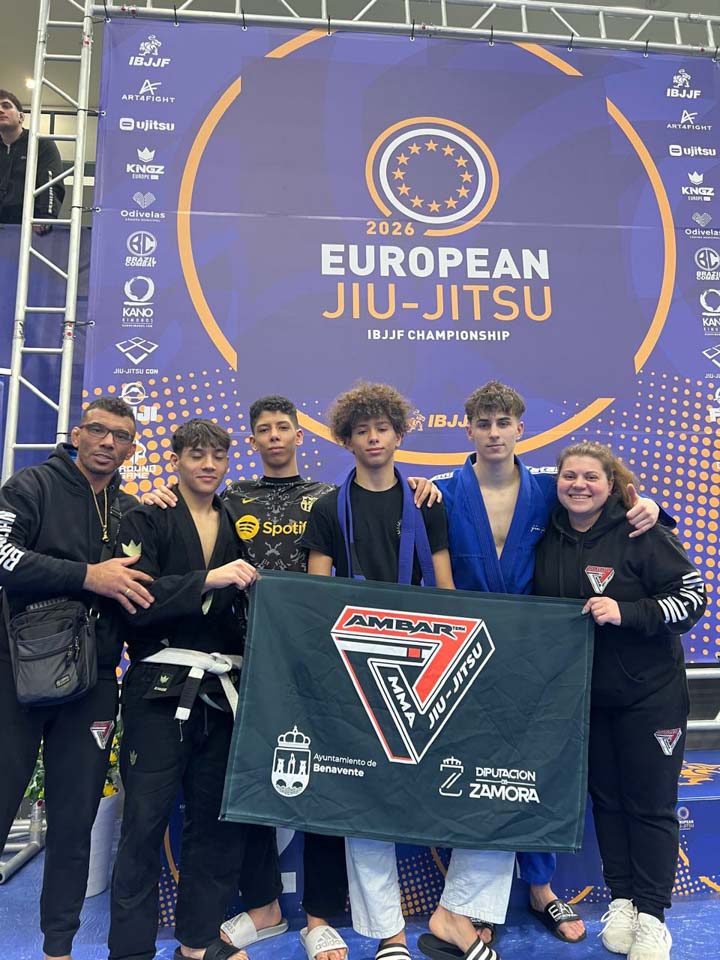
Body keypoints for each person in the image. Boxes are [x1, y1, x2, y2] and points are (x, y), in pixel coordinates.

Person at [144, 394, 441, 960]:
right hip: (242, 656)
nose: (275, 436)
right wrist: (162, 495)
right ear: (252, 439)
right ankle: (264, 906)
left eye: (284, 427)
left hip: (320, 658)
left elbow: (379, 516)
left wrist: (424, 487)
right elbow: (188, 520)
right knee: (251, 783)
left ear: (300, 436)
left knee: (329, 777)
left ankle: (321, 914)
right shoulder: (228, 498)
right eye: (264, 429)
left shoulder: (330, 499)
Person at [432, 381, 663, 947]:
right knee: (477, 767)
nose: (493, 433)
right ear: (468, 429)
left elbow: (610, 507)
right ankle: (473, 903)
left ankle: (540, 887)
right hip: (467, 646)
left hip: (540, 650)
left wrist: (652, 506)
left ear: (520, 428)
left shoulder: (548, 488)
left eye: (503, 423)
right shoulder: (439, 491)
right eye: (483, 423)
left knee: (537, 765)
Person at [300, 381, 501, 960]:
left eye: (382, 429)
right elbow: (316, 595)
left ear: (398, 434)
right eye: (361, 431)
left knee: (479, 780)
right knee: (364, 793)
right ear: (347, 440)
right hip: (356, 663)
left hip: (427, 660)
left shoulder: (426, 501)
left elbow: (445, 586)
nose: (373, 439)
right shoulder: (326, 509)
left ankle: (459, 912)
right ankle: (387, 932)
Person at [533, 441, 705, 960]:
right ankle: (624, 901)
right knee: (606, 803)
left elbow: (692, 599)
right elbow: (493, 480)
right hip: (588, 697)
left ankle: (653, 916)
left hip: (651, 696)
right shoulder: (548, 534)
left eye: (591, 477)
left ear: (611, 484)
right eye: (569, 476)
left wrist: (627, 612)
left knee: (650, 805)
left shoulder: (641, 529)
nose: (579, 485)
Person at [0, 396, 154, 960]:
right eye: (98, 430)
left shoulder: (132, 509)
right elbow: (1, 555)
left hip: (93, 684)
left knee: (75, 822)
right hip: (16, 674)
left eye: (121, 436)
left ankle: (58, 949)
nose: (108, 442)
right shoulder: (32, 485)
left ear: (132, 449)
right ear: (76, 433)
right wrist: (87, 575)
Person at [107, 419, 262, 960]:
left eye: (218, 456)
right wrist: (207, 580)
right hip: (159, 690)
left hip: (222, 692)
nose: (208, 465)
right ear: (175, 459)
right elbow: (134, 598)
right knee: (144, 824)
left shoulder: (235, 523)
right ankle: (130, 949)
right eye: (197, 455)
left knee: (215, 824)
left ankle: (197, 942)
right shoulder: (147, 517)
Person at [0, 89, 65, 233]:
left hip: (28, 224)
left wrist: (46, 217)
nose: (0, 110)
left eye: (6, 106)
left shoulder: (41, 143)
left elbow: (50, 180)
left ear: (21, 117)